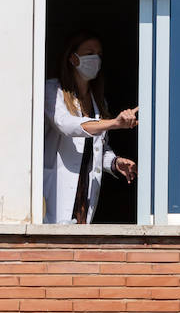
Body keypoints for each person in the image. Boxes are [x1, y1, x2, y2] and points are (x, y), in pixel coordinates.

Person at [43, 32, 138, 224]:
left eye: (99, 54)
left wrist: (115, 163)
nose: (96, 58)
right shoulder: (53, 90)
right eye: (89, 52)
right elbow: (66, 125)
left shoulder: (98, 101)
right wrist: (114, 123)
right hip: (56, 190)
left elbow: (98, 149)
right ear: (73, 58)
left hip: (82, 194)